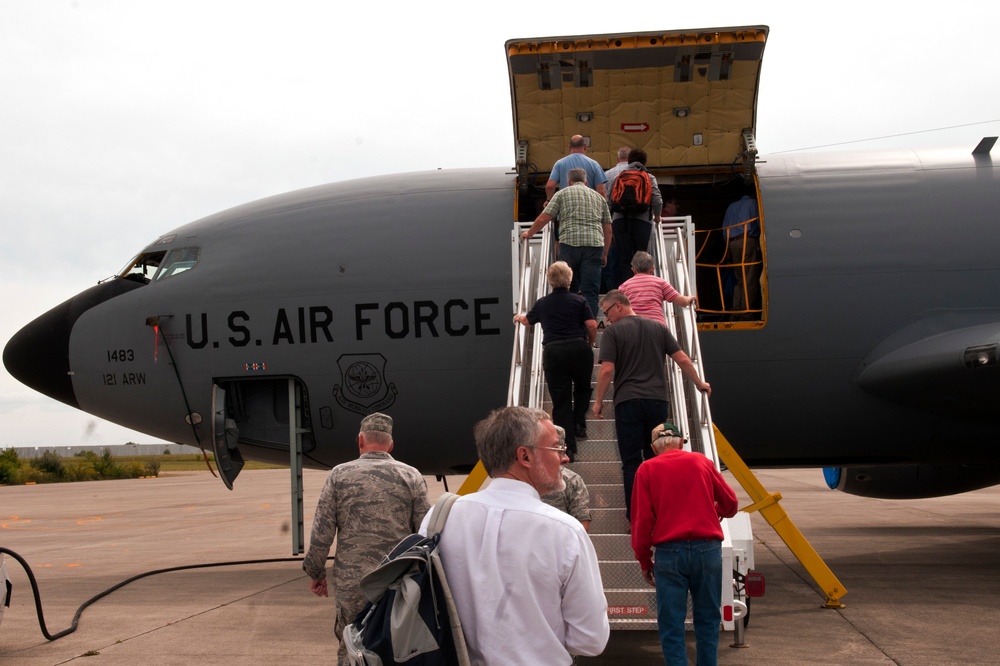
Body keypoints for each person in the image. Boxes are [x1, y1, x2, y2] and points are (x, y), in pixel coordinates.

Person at [421, 407, 609, 665]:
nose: (564, 458)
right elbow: (590, 640)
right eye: (557, 448)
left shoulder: (438, 518)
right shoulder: (565, 532)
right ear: (525, 456)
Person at [303, 412, 430, 666]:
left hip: (353, 583)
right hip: (397, 580)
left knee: (351, 645)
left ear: (360, 440)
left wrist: (316, 572)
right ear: (390, 444)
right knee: (398, 644)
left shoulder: (339, 475)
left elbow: (322, 532)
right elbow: (424, 532)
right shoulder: (411, 476)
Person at [590, 290, 710, 519]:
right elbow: (683, 359)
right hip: (657, 401)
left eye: (606, 312)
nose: (608, 318)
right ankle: (661, 513)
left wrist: (597, 402)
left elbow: (606, 370)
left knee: (631, 462)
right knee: (657, 458)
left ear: (617, 306)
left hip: (628, 403)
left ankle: (636, 518)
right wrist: (699, 383)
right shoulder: (658, 328)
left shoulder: (613, 332)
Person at [631, 422, 739, 666]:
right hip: (708, 550)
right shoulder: (701, 462)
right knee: (708, 621)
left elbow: (642, 521)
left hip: (670, 554)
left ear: (653, 447)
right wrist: (717, 510)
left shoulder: (646, 469)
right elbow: (731, 504)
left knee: (671, 624)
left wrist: (644, 560)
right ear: (681, 442)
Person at [513, 261, 597, 458]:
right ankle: (579, 422)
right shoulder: (579, 301)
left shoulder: (542, 303)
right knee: (583, 387)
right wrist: (589, 344)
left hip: (554, 351)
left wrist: (519, 317)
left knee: (561, 399)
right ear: (569, 279)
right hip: (579, 348)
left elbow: (527, 321)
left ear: (550, 281)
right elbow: (592, 325)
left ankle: (568, 447)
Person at [522, 168, 612, 320]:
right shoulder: (599, 198)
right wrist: (605, 253)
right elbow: (608, 229)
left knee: (567, 288)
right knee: (590, 291)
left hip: (569, 245)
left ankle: (571, 324)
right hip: (594, 245)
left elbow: (545, 218)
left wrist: (529, 233)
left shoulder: (562, 194)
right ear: (586, 181)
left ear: (569, 182)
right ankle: (588, 329)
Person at [606, 148, 663, 288]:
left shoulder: (618, 177)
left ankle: (627, 292)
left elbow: (608, 201)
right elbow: (657, 200)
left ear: (629, 161)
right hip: (642, 220)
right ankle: (641, 289)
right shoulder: (649, 177)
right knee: (641, 258)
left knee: (624, 259)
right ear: (645, 161)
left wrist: (609, 222)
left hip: (620, 220)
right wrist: (657, 216)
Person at [618, 251, 696, 325]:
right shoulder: (660, 283)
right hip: (657, 325)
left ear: (633, 270)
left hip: (633, 326)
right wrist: (689, 298)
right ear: (652, 269)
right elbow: (683, 302)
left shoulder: (624, 286)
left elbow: (619, 310)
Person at [540, 425, 593, 531]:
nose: (565, 458)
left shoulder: (572, 480)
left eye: (562, 450)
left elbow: (582, 525)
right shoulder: (519, 479)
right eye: (556, 450)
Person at [723, 194, 762, 319]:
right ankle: (747, 311)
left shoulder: (731, 206)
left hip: (732, 243)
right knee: (749, 278)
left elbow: (725, 229)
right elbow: (760, 223)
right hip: (748, 240)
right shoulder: (753, 203)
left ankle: (736, 310)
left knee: (739, 279)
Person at [546, 134, 608, 200]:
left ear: (569, 148)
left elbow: (550, 186)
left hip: (566, 205)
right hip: (587, 205)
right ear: (585, 147)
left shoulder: (559, 164)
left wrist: (549, 200)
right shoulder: (594, 164)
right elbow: (600, 191)